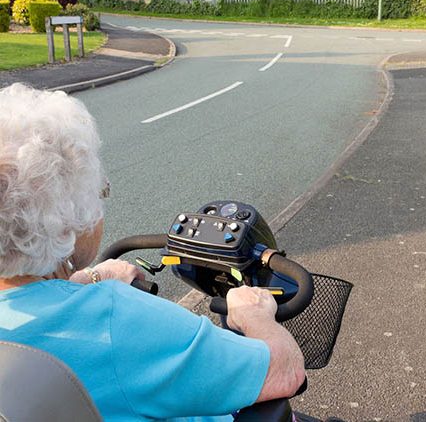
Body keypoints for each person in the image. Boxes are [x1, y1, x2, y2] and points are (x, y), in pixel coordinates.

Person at [0, 84, 305, 421]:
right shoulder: (116, 320)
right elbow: (285, 372)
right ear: (63, 225)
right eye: (97, 192)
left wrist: (87, 278)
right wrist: (256, 317)